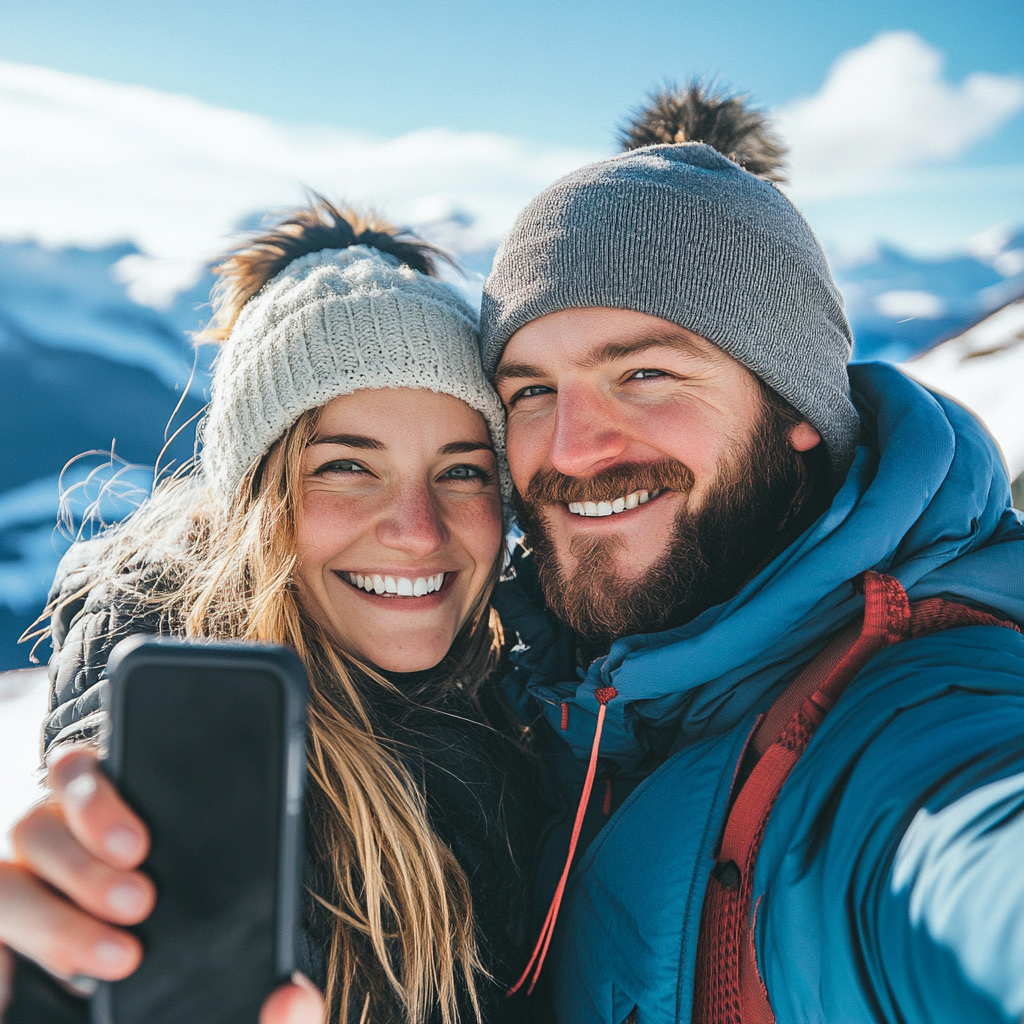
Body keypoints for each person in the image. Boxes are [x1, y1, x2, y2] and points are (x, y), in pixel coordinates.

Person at [479, 88, 1024, 1023]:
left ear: (798, 412)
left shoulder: (915, 704)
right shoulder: (535, 689)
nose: (569, 448)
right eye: (530, 390)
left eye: (644, 373)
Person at [0, 200, 536, 1024]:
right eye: (347, 467)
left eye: (462, 471)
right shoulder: (195, 760)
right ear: (252, 503)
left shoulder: (533, 700)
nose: (418, 531)